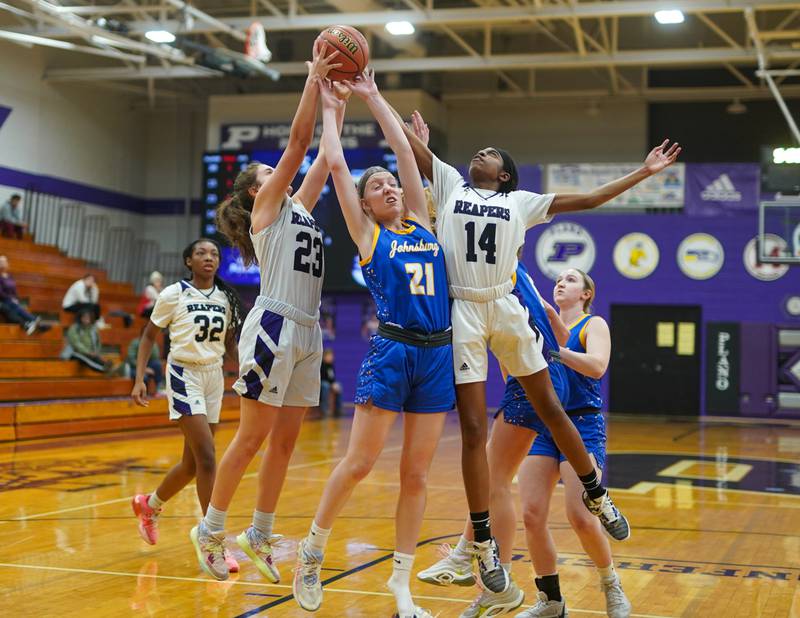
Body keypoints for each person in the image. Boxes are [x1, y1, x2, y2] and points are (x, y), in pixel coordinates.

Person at [397, 108, 680, 591]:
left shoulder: (521, 257)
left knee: (511, 467)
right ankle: (484, 556)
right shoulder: (455, 192)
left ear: (505, 177)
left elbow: (589, 198)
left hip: (533, 367)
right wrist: (383, 104)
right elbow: (413, 156)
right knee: (503, 479)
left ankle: (515, 547)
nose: (479, 151)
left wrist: (644, 172)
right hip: (473, 323)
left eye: (573, 278)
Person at [292, 71, 453, 618]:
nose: (389, 187)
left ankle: (402, 586)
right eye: (377, 187)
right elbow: (336, 167)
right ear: (365, 204)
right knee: (359, 464)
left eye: (392, 184)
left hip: (436, 354)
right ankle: (312, 552)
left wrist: (373, 95)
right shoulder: (368, 235)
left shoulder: (426, 223)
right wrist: (332, 109)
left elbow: (408, 159)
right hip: (392, 351)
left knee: (417, 475)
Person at [189, 40, 344, 582]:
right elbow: (302, 143)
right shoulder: (268, 206)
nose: (279, 170)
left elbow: (326, 153)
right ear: (259, 187)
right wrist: (311, 81)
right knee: (252, 437)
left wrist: (336, 100)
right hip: (274, 325)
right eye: (269, 168)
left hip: (307, 329)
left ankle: (259, 532)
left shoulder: (299, 207)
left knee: (285, 440)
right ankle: (210, 530)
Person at [417, 257, 569, 616]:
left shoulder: (489, 272)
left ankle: (496, 581)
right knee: (491, 477)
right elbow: (556, 327)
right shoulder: (519, 272)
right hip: (535, 376)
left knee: (495, 481)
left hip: (532, 381)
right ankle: (470, 560)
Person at [512, 269, 630, 618]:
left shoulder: (593, 325)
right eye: (559, 280)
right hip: (544, 422)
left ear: (586, 294)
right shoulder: (540, 328)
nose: (561, 283)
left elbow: (597, 367)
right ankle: (551, 600)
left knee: (579, 515)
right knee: (532, 514)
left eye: (572, 280)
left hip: (582, 422)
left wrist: (556, 351)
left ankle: (611, 583)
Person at [130, 239, 243, 576]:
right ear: (188, 261)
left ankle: (148, 506)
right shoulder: (174, 294)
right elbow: (149, 335)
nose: (209, 258)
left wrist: (251, 371)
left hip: (214, 377)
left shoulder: (225, 298)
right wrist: (139, 379)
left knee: (192, 464)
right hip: (183, 374)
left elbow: (231, 344)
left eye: (214, 254)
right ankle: (213, 542)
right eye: (201, 253)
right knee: (209, 458)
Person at [0, 255, 45, 335]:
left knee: (15, 305)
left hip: (11, 300)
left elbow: (14, 290)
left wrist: (15, 298)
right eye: (1, 262)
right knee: (12, 306)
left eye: (4, 261)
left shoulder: (10, 276)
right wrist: (11, 298)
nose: (3, 263)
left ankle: (30, 323)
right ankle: (32, 320)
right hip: (4, 300)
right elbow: (1, 293)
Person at [126, 327, 163, 395]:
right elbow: (131, 359)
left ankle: (158, 389)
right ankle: (142, 394)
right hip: (134, 367)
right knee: (144, 377)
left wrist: (151, 344)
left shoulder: (153, 343)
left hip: (147, 365)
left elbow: (156, 356)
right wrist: (144, 369)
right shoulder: (135, 343)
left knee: (157, 364)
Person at [318, 348, 342, 417]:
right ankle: (324, 409)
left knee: (339, 386)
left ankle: (338, 409)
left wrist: (334, 384)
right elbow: (322, 377)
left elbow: (332, 377)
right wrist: (331, 384)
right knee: (326, 386)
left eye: (332, 356)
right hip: (321, 384)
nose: (331, 357)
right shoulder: (321, 365)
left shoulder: (331, 366)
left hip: (329, 383)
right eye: (329, 356)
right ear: (324, 356)